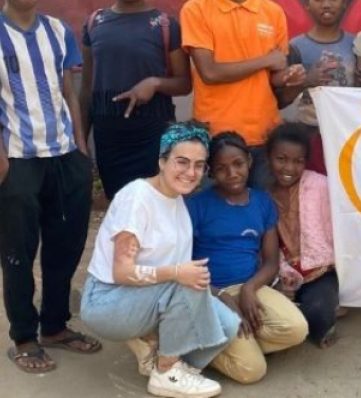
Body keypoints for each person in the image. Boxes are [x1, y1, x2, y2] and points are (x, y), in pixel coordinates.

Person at [0, 0, 99, 374]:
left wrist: (79, 149)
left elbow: (69, 92)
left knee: (65, 248)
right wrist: (1, 165)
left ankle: (55, 326)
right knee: (18, 254)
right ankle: (24, 336)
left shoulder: (57, 31)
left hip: (64, 158)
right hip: (19, 162)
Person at [80, 121, 239, 398]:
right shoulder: (137, 197)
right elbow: (121, 272)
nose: (190, 172)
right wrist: (177, 273)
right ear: (162, 161)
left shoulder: (177, 201)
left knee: (227, 325)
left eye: (199, 165)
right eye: (182, 162)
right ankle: (166, 373)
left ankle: (164, 361)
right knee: (185, 280)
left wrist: (184, 278)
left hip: (149, 297)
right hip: (107, 300)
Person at [180, 0, 302, 188]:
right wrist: (265, 60)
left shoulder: (272, 12)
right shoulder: (195, 10)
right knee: (217, 211)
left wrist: (292, 77)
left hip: (265, 133)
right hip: (217, 138)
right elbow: (210, 73)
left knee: (262, 209)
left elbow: (273, 77)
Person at [187, 132, 307, 383]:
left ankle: (233, 342)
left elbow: (271, 262)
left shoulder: (262, 202)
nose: (232, 173)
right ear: (211, 172)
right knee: (252, 371)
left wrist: (249, 289)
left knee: (297, 330)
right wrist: (222, 296)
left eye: (238, 164)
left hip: (251, 286)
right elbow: (182, 266)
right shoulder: (196, 206)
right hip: (210, 293)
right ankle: (191, 349)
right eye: (221, 168)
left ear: (249, 162)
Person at [81, 0, 192, 199]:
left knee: (159, 205)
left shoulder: (164, 25)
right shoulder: (95, 23)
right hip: (109, 138)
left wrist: (155, 83)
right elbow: (86, 91)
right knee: (121, 206)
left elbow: (185, 83)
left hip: (154, 135)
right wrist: (81, 143)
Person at [267, 123, 339, 347]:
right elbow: (264, 248)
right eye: (281, 159)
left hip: (320, 271)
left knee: (317, 313)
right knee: (270, 315)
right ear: (268, 158)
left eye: (298, 161)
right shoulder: (263, 196)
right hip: (282, 272)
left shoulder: (321, 185)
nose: (289, 167)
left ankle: (325, 307)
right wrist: (279, 281)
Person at [282, 0, 354, 174]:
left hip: (346, 134)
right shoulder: (295, 47)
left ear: (344, 2)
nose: (326, 4)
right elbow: (282, 100)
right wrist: (307, 80)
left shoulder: (355, 44)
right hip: (309, 135)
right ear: (307, 4)